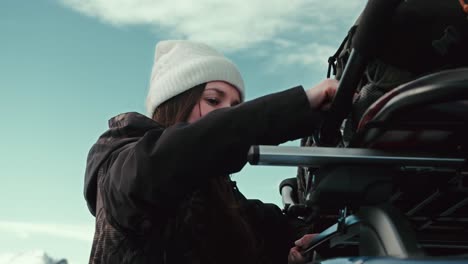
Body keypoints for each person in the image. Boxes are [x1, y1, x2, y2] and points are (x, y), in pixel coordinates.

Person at [84, 40, 338, 264]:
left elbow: (272, 229)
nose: (225, 111)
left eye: (235, 106)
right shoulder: (121, 166)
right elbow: (170, 157)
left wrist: (302, 242)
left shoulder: (221, 199)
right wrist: (300, 105)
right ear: (177, 102)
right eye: (214, 100)